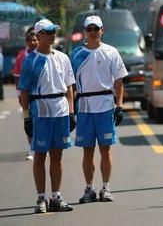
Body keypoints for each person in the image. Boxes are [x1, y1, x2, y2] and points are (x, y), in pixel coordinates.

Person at [18, 19, 75, 214]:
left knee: (57, 156)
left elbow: (69, 88)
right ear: (39, 35)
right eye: (48, 32)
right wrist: (26, 117)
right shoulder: (30, 61)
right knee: (40, 156)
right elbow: (24, 92)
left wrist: (72, 112)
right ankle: (41, 198)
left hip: (60, 110)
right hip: (40, 111)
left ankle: (56, 197)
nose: (52, 34)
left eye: (54, 31)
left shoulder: (63, 58)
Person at [70, 16, 128, 203]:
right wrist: (71, 111)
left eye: (97, 28)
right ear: (85, 31)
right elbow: (69, 85)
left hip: (104, 105)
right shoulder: (77, 54)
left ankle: (106, 188)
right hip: (85, 106)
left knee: (105, 150)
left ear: (102, 30)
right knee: (87, 151)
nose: (93, 32)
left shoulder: (111, 52)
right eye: (90, 29)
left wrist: (119, 106)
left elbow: (119, 81)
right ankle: (89, 188)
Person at [13, 27, 39, 160]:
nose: (33, 43)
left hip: (40, 97)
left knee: (41, 122)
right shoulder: (21, 56)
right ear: (27, 42)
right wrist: (19, 95)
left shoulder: (45, 55)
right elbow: (17, 77)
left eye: (35, 40)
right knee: (27, 120)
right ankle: (31, 148)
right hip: (25, 96)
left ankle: (41, 147)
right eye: (30, 40)